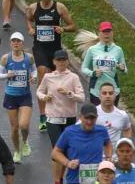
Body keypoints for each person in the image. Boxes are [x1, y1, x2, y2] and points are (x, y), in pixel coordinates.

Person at [25, 0, 76, 131]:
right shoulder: (34, 8)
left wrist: (63, 29)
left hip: (55, 50)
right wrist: (30, 29)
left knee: (59, 80)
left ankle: (58, 112)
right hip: (39, 48)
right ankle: (42, 117)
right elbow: (28, 19)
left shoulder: (59, 7)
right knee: (43, 77)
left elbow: (73, 26)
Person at [36, 50, 84, 184]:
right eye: (59, 60)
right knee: (57, 151)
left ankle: (61, 177)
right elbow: (39, 91)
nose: (61, 62)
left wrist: (69, 93)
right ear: (54, 62)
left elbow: (81, 98)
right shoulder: (48, 77)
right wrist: (44, 97)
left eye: (64, 60)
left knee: (67, 152)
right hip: (53, 119)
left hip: (69, 118)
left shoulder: (73, 77)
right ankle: (57, 181)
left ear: (67, 61)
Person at [0, 33, 38, 163]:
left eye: (18, 41)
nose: (16, 43)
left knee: (24, 125)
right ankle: (17, 151)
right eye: (13, 41)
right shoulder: (6, 58)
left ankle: (25, 142)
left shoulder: (29, 57)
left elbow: (34, 71)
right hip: (11, 96)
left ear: (22, 43)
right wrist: (7, 75)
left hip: (25, 95)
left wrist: (34, 78)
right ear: (10, 43)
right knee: (14, 128)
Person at [51, 103, 113, 184]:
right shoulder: (69, 132)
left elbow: (108, 143)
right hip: (75, 180)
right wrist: (67, 163)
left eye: (92, 118)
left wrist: (108, 157)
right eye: (86, 118)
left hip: (96, 180)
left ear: (97, 117)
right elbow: (55, 153)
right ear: (80, 117)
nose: (89, 121)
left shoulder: (102, 131)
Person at [80, 22, 127, 104]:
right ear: (99, 33)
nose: (106, 34)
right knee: (97, 116)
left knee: (112, 116)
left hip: (113, 91)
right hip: (96, 91)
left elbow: (125, 71)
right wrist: (93, 73)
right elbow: (84, 68)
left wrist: (122, 69)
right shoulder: (92, 50)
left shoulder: (118, 50)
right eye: (104, 32)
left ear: (112, 34)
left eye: (108, 32)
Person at [94, 83, 132, 151]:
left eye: (110, 93)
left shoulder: (122, 115)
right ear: (99, 96)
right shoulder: (92, 113)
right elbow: (78, 129)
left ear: (115, 96)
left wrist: (126, 143)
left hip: (115, 158)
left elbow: (127, 129)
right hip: (96, 158)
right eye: (104, 93)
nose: (108, 96)